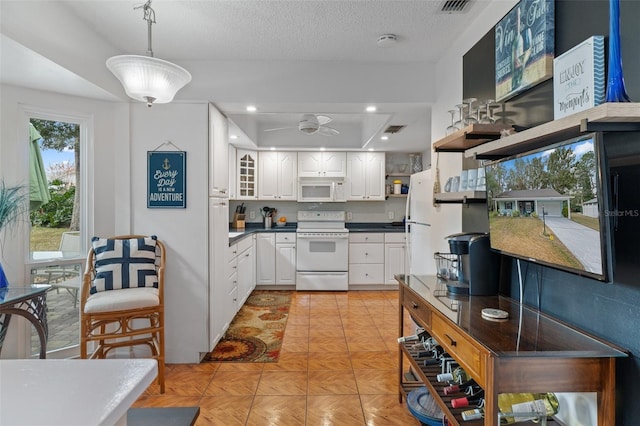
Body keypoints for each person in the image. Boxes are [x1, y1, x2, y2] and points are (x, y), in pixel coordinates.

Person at [511, 5, 533, 91]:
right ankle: (517, 81)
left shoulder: (520, 38)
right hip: (515, 84)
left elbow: (527, 49)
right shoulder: (516, 39)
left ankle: (520, 80)